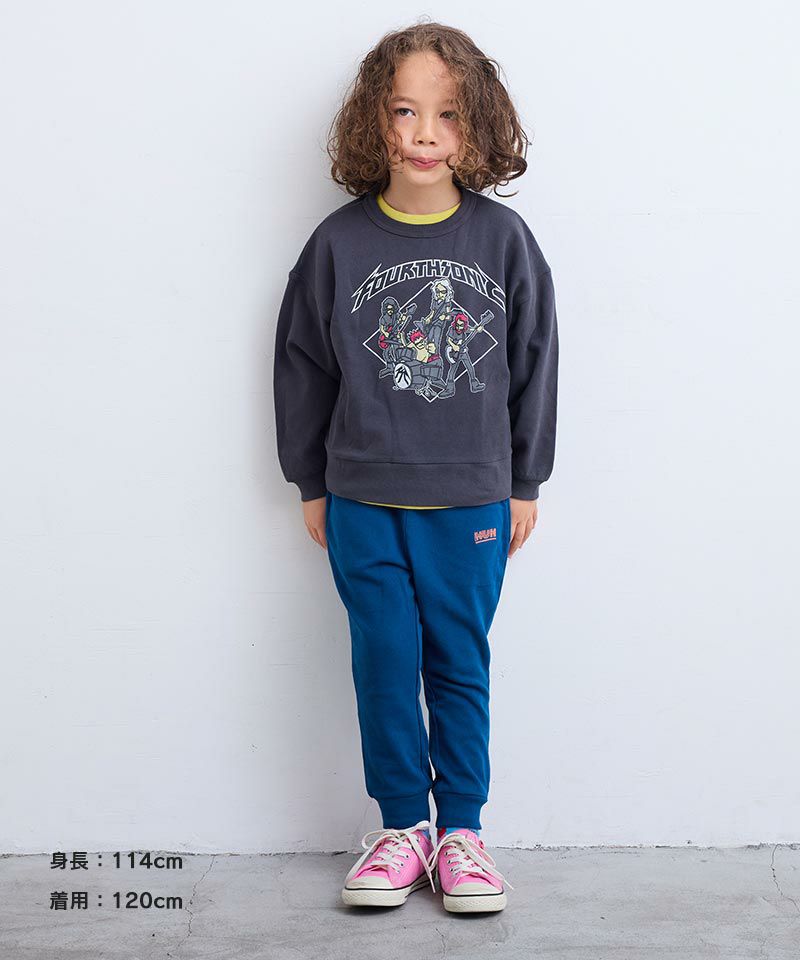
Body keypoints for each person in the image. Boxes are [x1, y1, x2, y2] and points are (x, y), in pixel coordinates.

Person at [272, 20, 558, 914]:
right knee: (385, 662)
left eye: (449, 114)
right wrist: (310, 480)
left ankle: (462, 832)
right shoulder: (337, 244)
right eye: (405, 111)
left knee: (458, 662)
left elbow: (535, 362)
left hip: (470, 496)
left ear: (479, 126)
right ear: (374, 121)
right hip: (361, 496)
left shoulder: (504, 241)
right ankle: (405, 829)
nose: (425, 134)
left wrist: (525, 481)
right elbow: (303, 365)